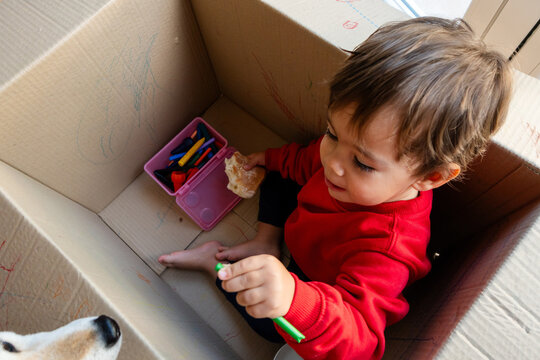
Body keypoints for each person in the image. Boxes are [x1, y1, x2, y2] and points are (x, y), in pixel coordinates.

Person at [158, 17, 512, 359]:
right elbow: (309, 159)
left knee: (272, 324)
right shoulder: (343, 159)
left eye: (363, 163)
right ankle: (267, 239)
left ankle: (212, 264)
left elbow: (362, 341)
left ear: (431, 177)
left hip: (317, 281)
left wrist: (295, 300)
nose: (334, 162)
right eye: (332, 133)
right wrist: (272, 158)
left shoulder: (389, 251)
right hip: (301, 235)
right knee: (284, 170)